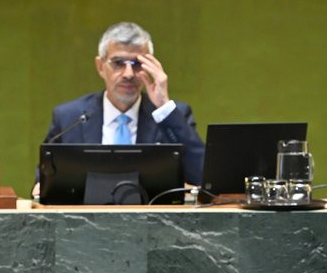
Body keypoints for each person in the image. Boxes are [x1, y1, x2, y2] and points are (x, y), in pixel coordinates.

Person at [41, 22, 206, 189]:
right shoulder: (69, 118)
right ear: (100, 66)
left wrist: (163, 105)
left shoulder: (170, 115)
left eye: (137, 64)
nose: (128, 74)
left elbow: (201, 176)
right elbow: (42, 185)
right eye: (118, 63)